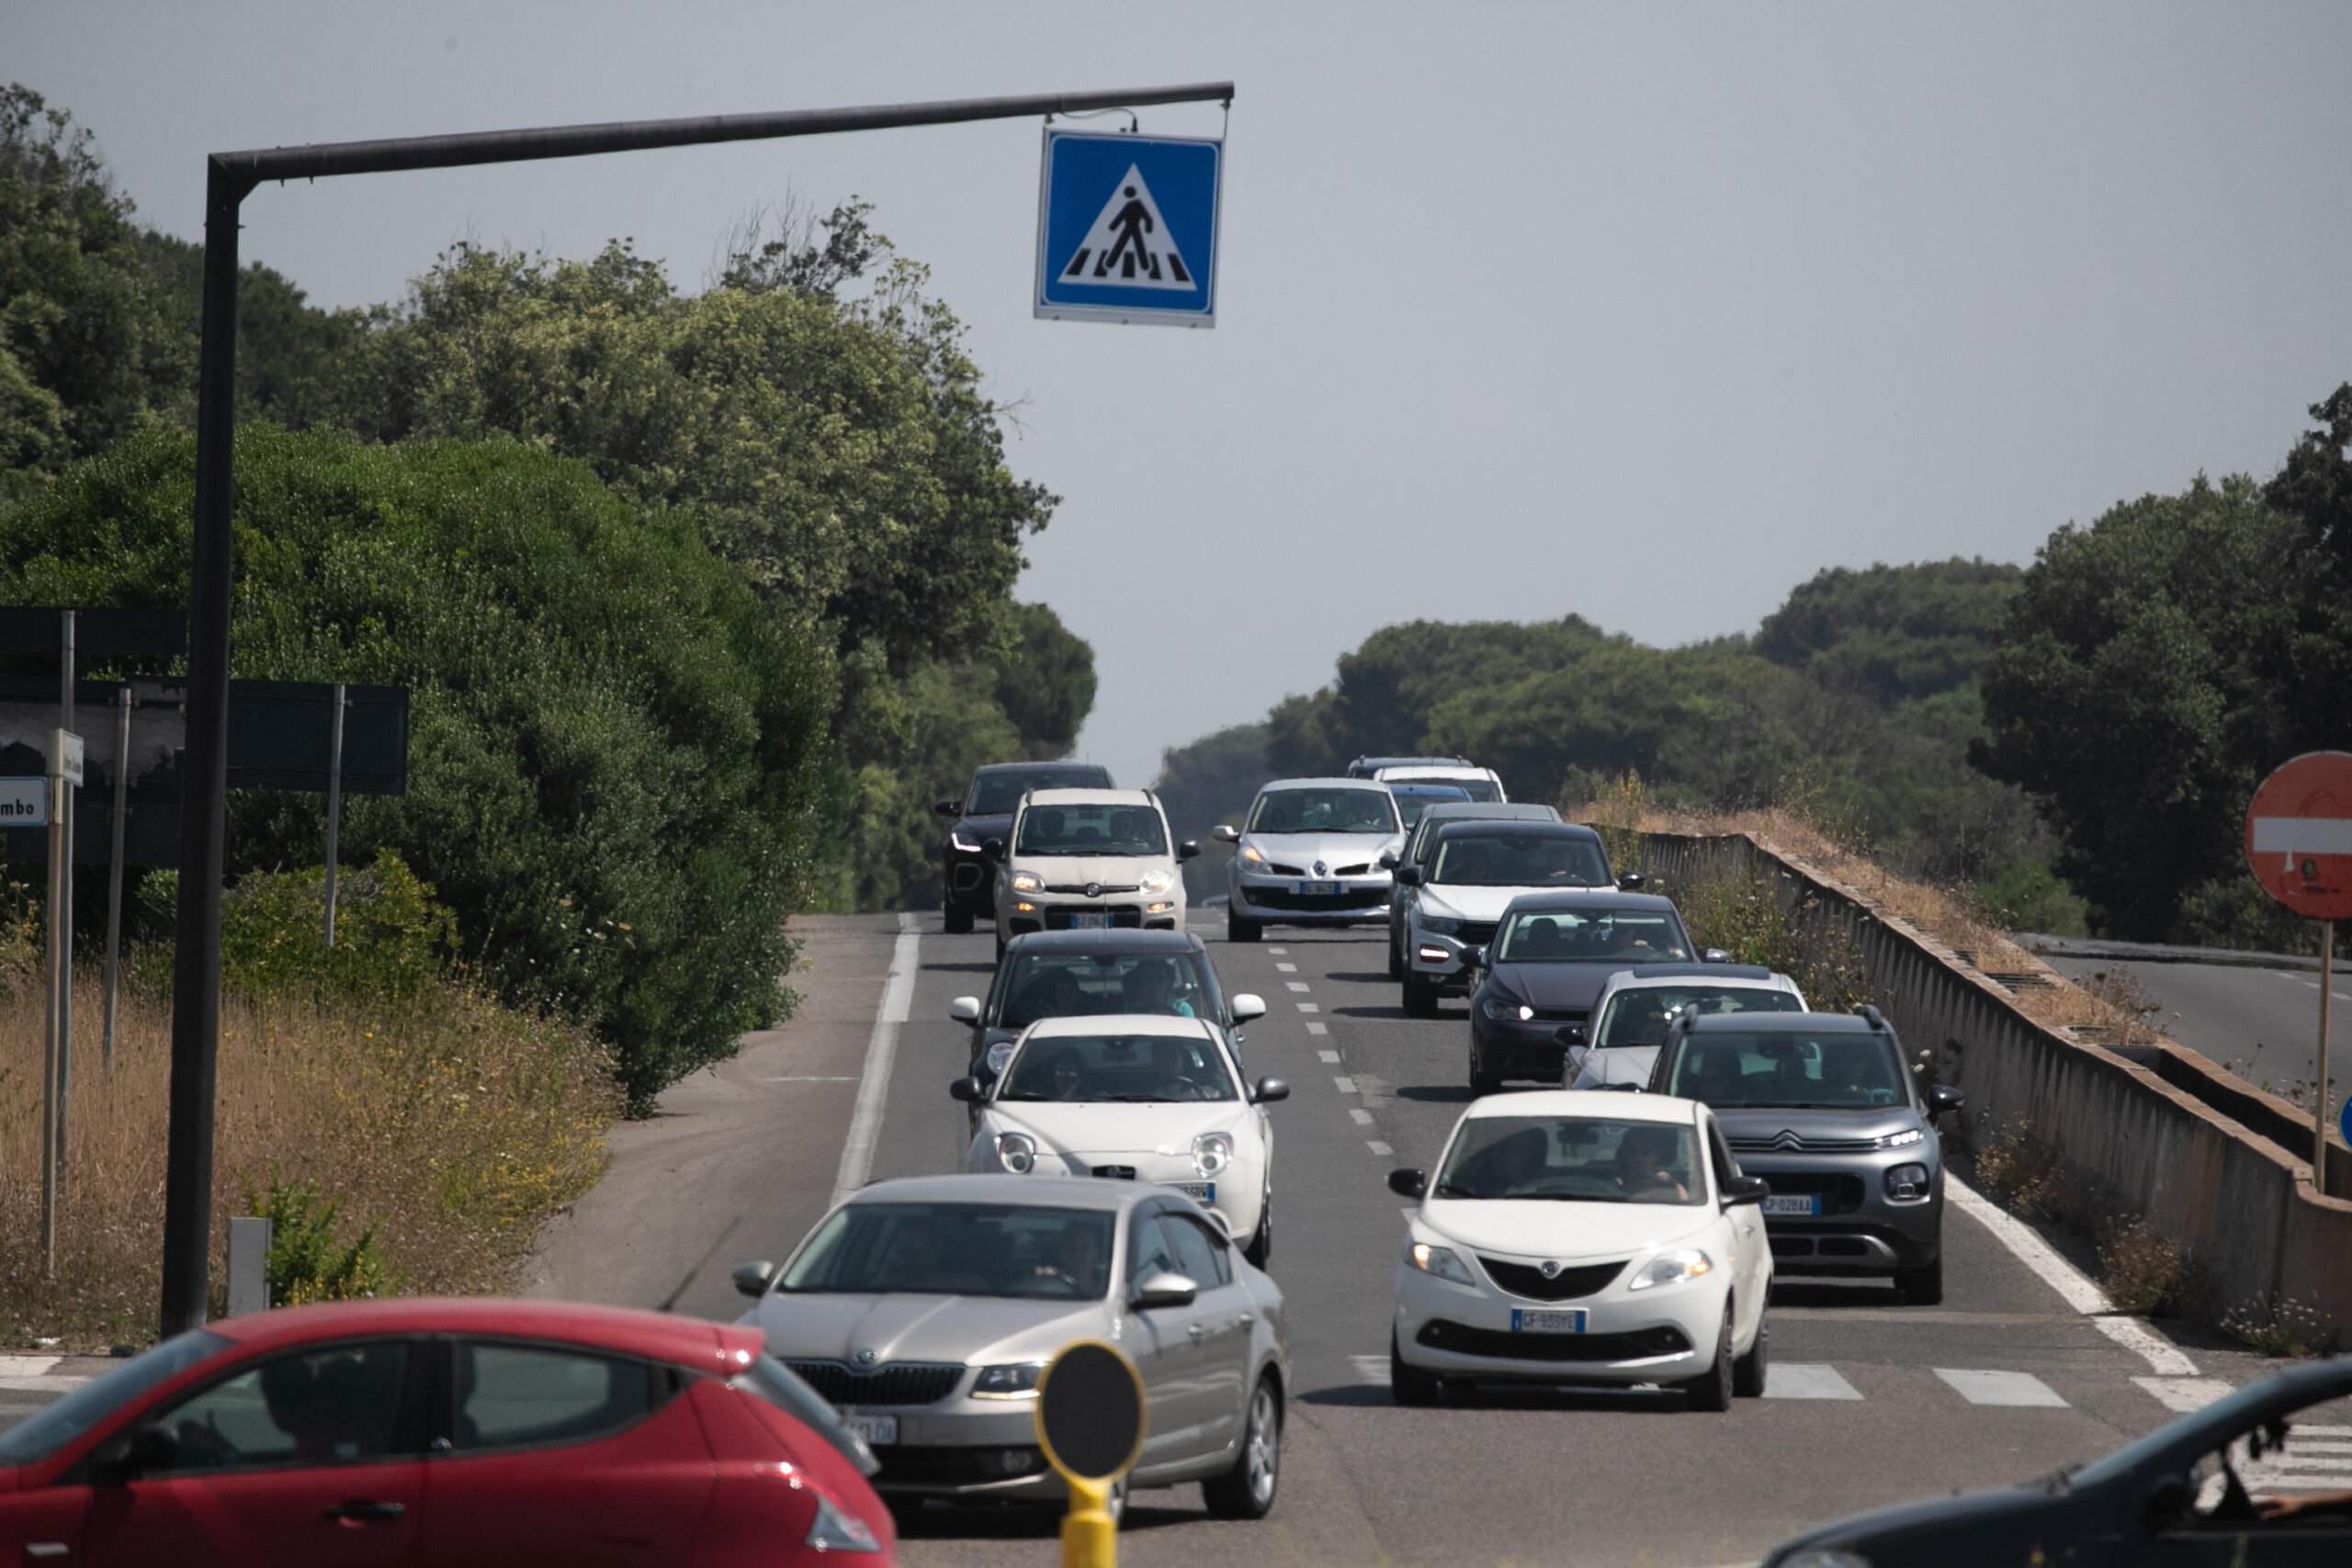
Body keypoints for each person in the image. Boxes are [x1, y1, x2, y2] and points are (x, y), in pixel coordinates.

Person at [1615, 1125, 1692, 1203]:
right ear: (1625, 1155)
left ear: (1655, 1157)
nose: (1638, 1157)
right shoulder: (1610, 1187)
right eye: (1632, 1152)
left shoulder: (1670, 1187)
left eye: (1645, 1152)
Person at [1122, 958, 1196, 1017]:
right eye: (1148, 979)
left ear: (1169, 982)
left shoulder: (1183, 1009)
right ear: (1141, 982)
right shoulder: (1130, 1012)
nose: (1154, 985)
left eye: (1160, 979)